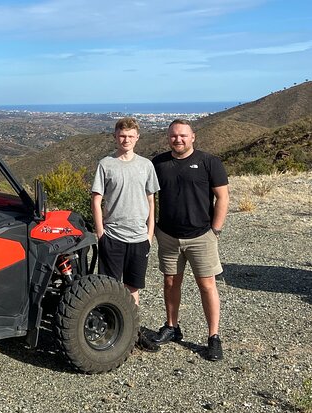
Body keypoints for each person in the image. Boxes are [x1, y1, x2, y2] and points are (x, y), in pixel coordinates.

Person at [151, 119, 229, 361]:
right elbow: (149, 196)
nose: (178, 139)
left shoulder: (209, 162)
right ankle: (172, 327)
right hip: (168, 235)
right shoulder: (159, 163)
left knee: (207, 286)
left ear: (193, 137)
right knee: (170, 283)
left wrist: (214, 230)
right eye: (174, 136)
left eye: (183, 135)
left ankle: (213, 337)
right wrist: (153, 228)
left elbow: (222, 198)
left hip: (201, 236)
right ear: (168, 138)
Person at [91, 117, 160, 352]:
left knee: (132, 288)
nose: (126, 140)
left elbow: (151, 200)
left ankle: (132, 334)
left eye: (130, 136)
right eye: (122, 136)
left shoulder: (146, 165)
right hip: (113, 236)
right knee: (109, 287)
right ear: (115, 136)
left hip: (139, 238)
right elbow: (97, 199)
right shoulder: (106, 164)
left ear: (137, 138)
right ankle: (109, 333)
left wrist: (150, 234)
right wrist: (101, 233)